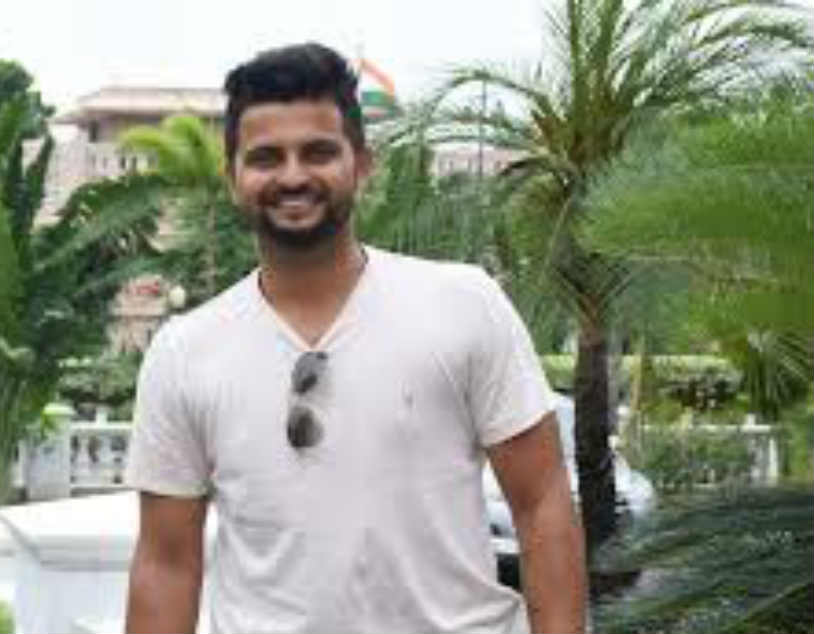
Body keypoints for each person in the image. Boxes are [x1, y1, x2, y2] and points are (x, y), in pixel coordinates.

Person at [124, 42, 586, 634]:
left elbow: (543, 503)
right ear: (233, 177)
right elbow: (166, 563)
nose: (293, 176)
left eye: (318, 152)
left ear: (362, 164)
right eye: (266, 157)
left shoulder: (463, 305)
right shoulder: (185, 353)